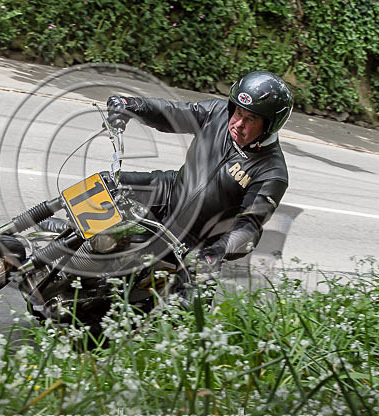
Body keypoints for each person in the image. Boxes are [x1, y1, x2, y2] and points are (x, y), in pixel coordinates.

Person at [106, 70, 293, 277]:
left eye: (250, 119)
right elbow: (174, 113)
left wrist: (217, 252)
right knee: (103, 187)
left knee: (182, 305)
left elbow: (249, 228)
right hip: (168, 192)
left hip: (200, 240)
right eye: (238, 113)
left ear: (269, 125)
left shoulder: (272, 172)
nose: (238, 124)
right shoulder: (217, 113)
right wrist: (134, 105)